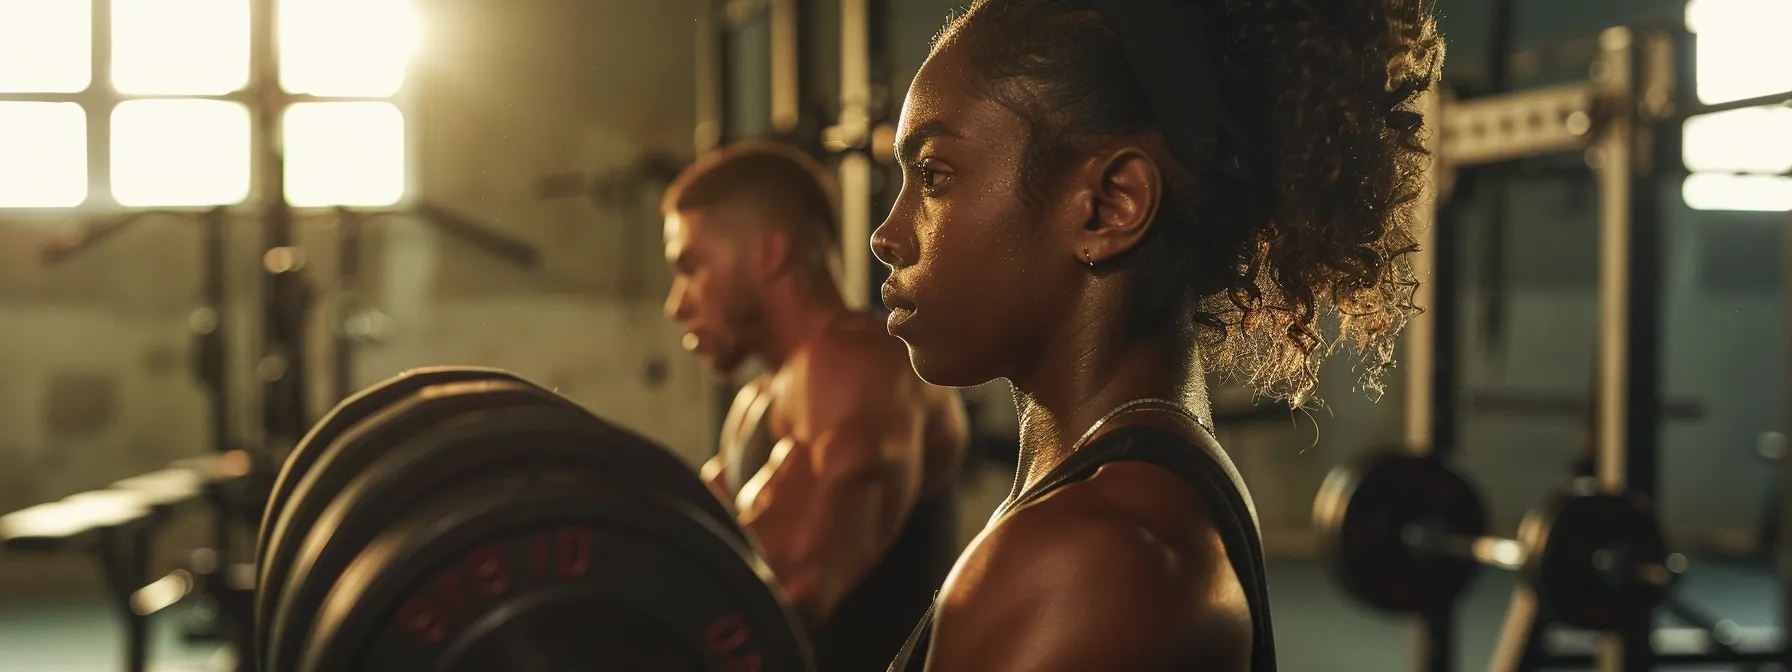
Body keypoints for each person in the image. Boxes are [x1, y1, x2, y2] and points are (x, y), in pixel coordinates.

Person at [870, 0, 1443, 669]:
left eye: (934, 176)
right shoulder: (1123, 493)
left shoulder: (1092, 562)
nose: (888, 236)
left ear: (1111, 206)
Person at [659, 140, 972, 671]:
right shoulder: (759, 399)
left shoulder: (858, 367)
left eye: (691, 265)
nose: (677, 303)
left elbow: (773, 600)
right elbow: (679, 546)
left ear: (769, 252)